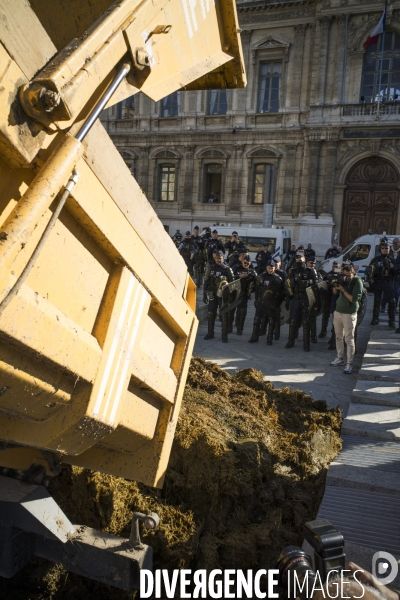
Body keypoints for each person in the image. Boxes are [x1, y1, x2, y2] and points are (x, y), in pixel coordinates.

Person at [330, 263, 363, 374]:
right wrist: (335, 285)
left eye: (349, 275)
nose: (347, 277)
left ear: (353, 272)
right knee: (338, 337)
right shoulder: (342, 279)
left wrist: (343, 289)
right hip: (338, 311)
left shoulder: (357, 282)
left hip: (349, 313)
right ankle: (340, 358)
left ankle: (349, 364)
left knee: (349, 339)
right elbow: (335, 293)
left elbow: (353, 299)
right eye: (345, 275)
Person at [284, 253, 318, 352]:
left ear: (305, 259)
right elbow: (289, 286)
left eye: (300, 258)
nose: (298, 259)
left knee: (305, 322)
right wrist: (287, 299)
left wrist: (308, 283)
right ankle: (290, 341)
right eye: (297, 258)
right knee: (293, 321)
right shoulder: (292, 271)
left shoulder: (311, 271)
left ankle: (306, 344)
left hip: (306, 299)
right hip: (295, 299)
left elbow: (316, 287)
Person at [249, 260, 284, 345]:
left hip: (271, 303)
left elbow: (281, 292)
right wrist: (256, 300)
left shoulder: (277, 278)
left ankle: (269, 338)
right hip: (261, 302)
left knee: (271, 321)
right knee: (257, 319)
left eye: (272, 268)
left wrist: (277, 303)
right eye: (269, 268)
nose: (270, 269)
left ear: (274, 268)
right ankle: (254, 336)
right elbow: (257, 290)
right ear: (266, 267)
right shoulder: (261, 276)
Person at [203, 251, 234, 343]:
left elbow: (232, 284)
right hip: (213, 292)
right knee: (210, 313)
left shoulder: (227, 269)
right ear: (214, 258)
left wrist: (231, 296)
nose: (218, 260)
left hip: (223, 294)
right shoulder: (211, 268)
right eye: (217, 258)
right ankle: (210, 333)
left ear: (223, 258)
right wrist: (204, 294)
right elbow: (206, 281)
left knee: (224, 314)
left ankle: (224, 335)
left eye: (220, 258)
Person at [368, 241, 396, 327]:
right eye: (383, 248)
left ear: (389, 249)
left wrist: (393, 267)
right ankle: (375, 318)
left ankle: (391, 320)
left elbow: (396, 272)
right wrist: (371, 278)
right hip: (378, 282)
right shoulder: (376, 259)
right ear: (380, 249)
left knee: (391, 301)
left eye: (386, 248)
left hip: (388, 282)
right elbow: (369, 270)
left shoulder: (392, 260)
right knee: (377, 300)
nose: (384, 250)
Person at [233, 254, 256, 335]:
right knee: (232, 311)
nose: (246, 264)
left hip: (245, 293)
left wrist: (252, 287)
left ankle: (240, 328)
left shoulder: (252, 271)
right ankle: (230, 326)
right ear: (242, 261)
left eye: (248, 263)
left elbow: (256, 283)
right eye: (245, 262)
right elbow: (230, 277)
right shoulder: (237, 268)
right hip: (235, 292)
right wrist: (240, 276)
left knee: (242, 311)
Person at [318, 260, 342, 339]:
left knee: (335, 317)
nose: (334, 268)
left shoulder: (341, 275)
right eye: (333, 266)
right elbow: (323, 283)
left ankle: (333, 334)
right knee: (325, 315)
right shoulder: (328, 274)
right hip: (328, 297)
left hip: (336, 299)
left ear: (339, 267)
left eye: (336, 267)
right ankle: (323, 331)